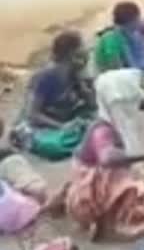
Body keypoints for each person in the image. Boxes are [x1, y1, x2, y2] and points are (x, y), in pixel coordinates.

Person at [66, 69, 144, 241]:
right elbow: (107, 158)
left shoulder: (116, 122)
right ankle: (114, 220)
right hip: (93, 202)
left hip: (94, 198)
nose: (130, 106)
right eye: (126, 102)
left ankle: (120, 211)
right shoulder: (102, 130)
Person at [11, 31, 95, 160]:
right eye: (81, 48)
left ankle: (76, 137)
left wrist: (82, 80)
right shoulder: (45, 77)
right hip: (40, 126)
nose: (85, 51)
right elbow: (33, 115)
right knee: (54, 146)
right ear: (71, 53)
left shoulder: (74, 71)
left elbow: (92, 103)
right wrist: (61, 127)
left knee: (97, 117)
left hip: (64, 118)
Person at [93, 2, 144, 74]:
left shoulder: (136, 34)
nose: (140, 21)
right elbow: (115, 69)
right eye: (137, 18)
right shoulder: (111, 39)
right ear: (131, 22)